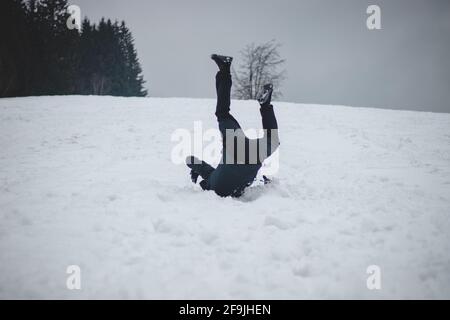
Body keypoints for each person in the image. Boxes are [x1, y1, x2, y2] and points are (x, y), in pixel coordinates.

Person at [186, 54, 280, 197]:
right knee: (222, 113)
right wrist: (195, 169)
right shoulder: (212, 181)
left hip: (255, 157)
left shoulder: (218, 187)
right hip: (236, 149)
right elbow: (191, 160)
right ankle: (225, 69)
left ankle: (265, 105)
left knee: (272, 140)